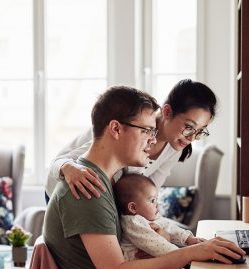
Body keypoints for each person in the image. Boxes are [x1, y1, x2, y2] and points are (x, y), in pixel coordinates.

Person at [42, 85, 245, 269]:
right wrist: (188, 253)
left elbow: (148, 206)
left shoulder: (114, 183)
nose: (152, 140)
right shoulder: (88, 185)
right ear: (116, 129)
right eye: (147, 131)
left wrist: (179, 240)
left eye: (152, 131)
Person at [45, 78, 218, 202]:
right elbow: (59, 162)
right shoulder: (130, 126)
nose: (192, 138)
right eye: (189, 126)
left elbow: (149, 191)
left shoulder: (174, 147)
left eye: (200, 131)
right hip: (61, 186)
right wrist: (68, 168)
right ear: (166, 112)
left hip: (100, 194)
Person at [114, 173, 205, 269]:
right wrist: (188, 256)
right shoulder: (133, 222)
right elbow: (158, 247)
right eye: (152, 200)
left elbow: (168, 227)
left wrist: (189, 239)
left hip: (158, 261)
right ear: (133, 208)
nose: (157, 204)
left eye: (157, 199)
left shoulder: (150, 217)